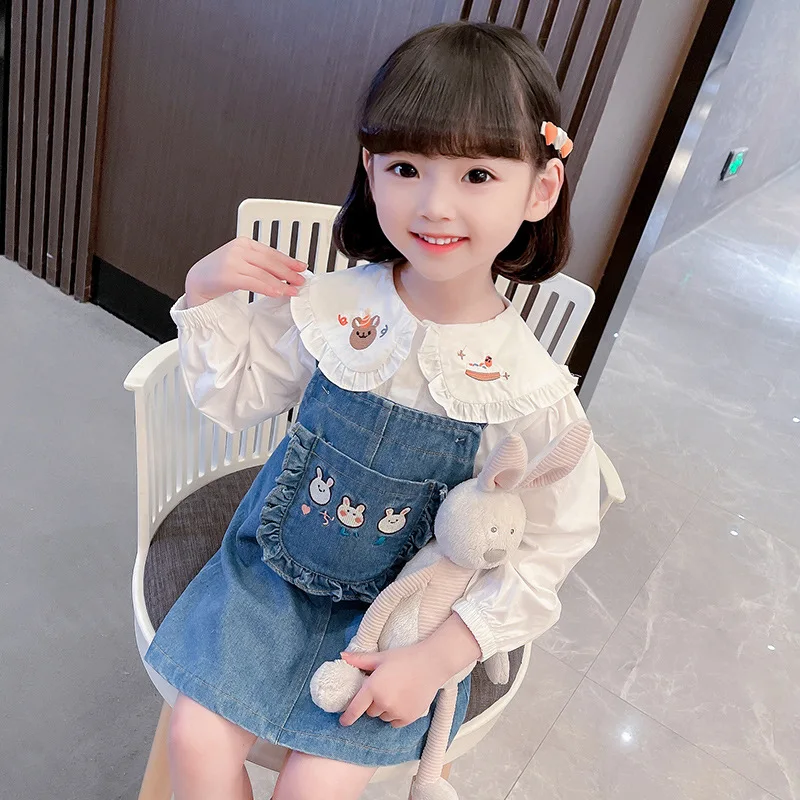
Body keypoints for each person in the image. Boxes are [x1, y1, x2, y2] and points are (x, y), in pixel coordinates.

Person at [145, 21, 600, 800]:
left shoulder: (530, 387)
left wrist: (437, 658)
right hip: (271, 577)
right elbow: (236, 397)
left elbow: (548, 545)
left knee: (317, 787)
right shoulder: (330, 307)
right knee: (193, 737)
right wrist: (205, 292)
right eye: (406, 167)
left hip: (402, 622)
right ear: (370, 168)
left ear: (541, 188)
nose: (435, 205)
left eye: (477, 175)